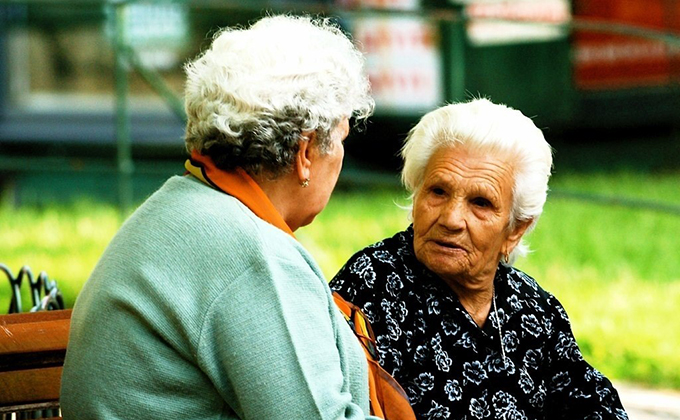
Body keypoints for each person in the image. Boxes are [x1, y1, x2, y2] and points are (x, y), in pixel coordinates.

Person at [60, 15, 384, 419]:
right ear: (304, 154)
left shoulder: (186, 206)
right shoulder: (252, 256)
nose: (339, 156)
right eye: (340, 138)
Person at [331, 98, 629, 420]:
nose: (452, 219)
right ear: (417, 194)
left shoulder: (533, 310)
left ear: (516, 229)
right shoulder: (370, 285)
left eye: (481, 203)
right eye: (438, 192)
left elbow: (593, 406)